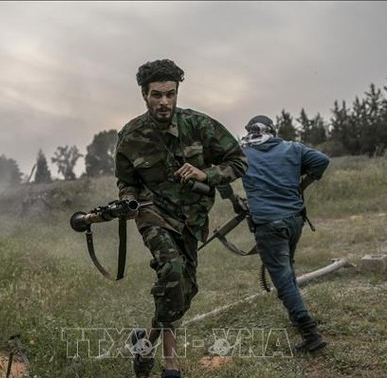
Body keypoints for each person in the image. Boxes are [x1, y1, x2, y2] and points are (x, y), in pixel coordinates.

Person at [115, 59, 248, 377]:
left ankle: (144, 342)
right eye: (156, 95)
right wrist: (129, 202)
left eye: (170, 94)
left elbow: (239, 161)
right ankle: (170, 366)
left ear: (177, 93)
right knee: (172, 273)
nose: (164, 102)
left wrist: (207, 172)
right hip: (153, 214)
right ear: (144, 95)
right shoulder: (131, 136)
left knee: (184, 293)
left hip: (192, 220)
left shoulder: (199, 126)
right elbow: (127, 182)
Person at [240, 115, 329, 354]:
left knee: (281, 276)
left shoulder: (243, 153)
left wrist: (231, 199)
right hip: (294, 220)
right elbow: (321, 160)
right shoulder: (292, 147)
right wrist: (302, 185)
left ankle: (310, 333)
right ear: (273, 130)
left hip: (269, 224)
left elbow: (220, 175)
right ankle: (295, 313)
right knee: (286, 268)